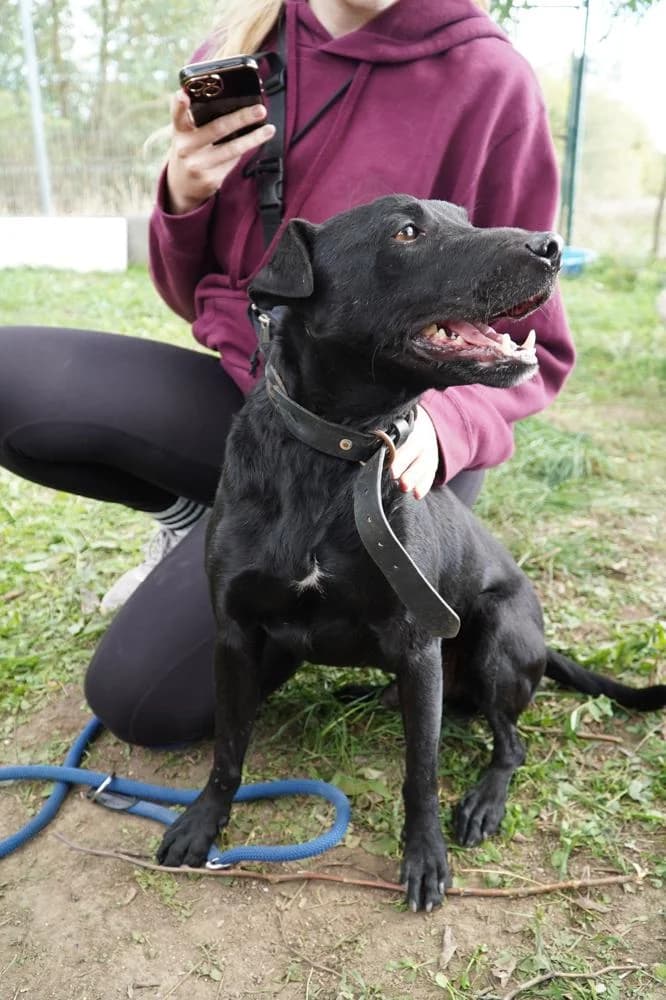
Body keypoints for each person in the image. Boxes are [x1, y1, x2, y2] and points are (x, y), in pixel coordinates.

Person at [0, 0, 575, 747]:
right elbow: (200, 293)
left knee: (138, 699)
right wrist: (186, 193)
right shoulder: (244, 51)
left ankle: (309, 577)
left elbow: (537, 345)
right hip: (261, 410)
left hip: (391, 445)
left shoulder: (488, 76)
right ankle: (198, 525)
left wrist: (444, 422)